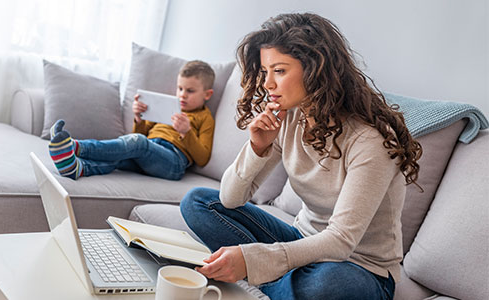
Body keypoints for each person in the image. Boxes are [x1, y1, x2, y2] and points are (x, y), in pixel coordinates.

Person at [180, 13, 422, 300]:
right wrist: (257, 147)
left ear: (315, 70)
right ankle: (279, 284)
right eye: (265, 72)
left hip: (359, 268)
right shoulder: (289, 120)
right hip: (301, 243)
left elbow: (341, 241)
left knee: (324, 286)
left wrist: (253, 260)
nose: (268, 84)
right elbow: (229, 200)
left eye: (279, 71)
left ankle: (266, 280)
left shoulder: (370, 140)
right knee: (197, 202)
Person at [48, 60, 216, 181]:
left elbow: (202, 158)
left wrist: (186, 132)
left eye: (190, 91)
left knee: (138, 143)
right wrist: (139, 118)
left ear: (207, 94)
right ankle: (76, 168)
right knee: (120, 158)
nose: (182, 95)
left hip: (174, 162)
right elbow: (140, 135)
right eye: (180, 88)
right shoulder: (168, 105)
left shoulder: (204, 117)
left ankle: (75, 146)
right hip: (149, 152)